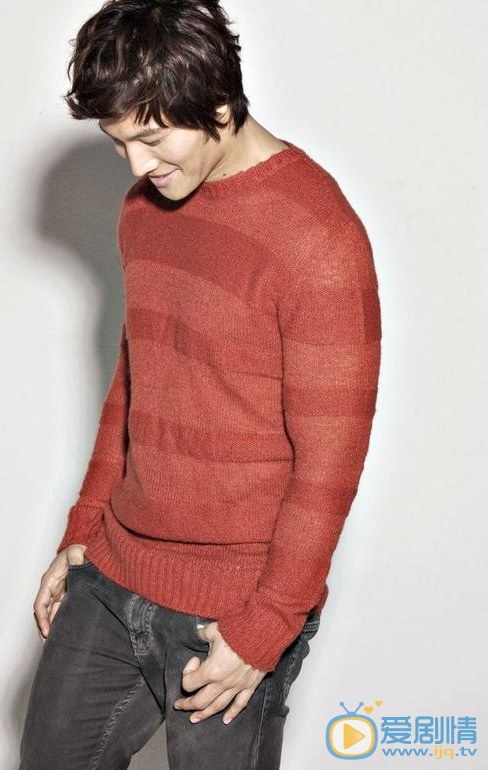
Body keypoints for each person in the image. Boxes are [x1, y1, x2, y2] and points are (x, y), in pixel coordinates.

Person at [19, 0, 382, 768]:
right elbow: (136, 382)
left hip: (232, 608)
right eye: (118, 142)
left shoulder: (319, 240)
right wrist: (82, 529)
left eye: (152, 138)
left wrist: (265, 626)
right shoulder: (144, 209)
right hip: (112, 573)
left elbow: (330, 466)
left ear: (218, 102)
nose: (136, 166)